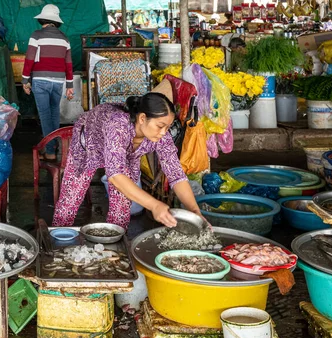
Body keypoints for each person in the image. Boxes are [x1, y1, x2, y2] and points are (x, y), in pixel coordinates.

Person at [52, 93, 204, 230]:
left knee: (122, 204)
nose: (164, 132)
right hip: (89, 143)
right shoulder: (117, 125)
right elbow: (115, 175)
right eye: (160, 126)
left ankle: (114, 247)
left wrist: (195, 212)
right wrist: (154, 205)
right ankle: (56, 239)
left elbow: (176, 174)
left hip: (125, 154)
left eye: (168, 127)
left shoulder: (161, 136)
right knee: (71, 197)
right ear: (142, 118)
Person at [22, 4, 74, 161]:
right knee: (54, 113)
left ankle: (50, 151)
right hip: (58, 81)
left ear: (42, 19)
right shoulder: (65, 38)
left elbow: (29, 59)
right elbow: (69, 64)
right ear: (56, 21)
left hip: (40, 80)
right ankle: (56, 145)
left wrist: (25, 80)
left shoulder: (36, 35)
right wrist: (70, 86)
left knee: (45, 116)